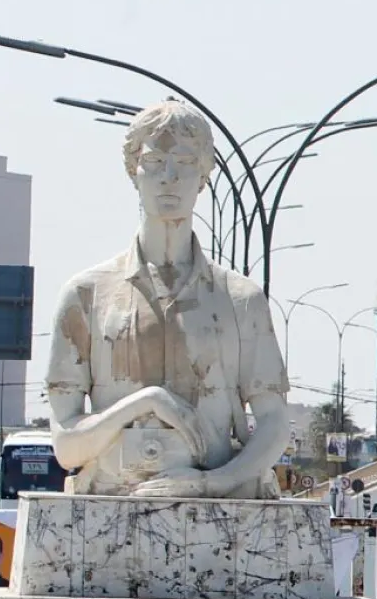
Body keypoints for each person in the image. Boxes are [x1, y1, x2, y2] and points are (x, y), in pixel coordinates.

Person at [45, 101, 290, 499]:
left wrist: (214, 482)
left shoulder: (242, 300)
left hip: (222, 513)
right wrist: (147, 402)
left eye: (184, 161)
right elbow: (67, 446)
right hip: (108, 508)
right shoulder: (86, 295)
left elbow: (274, 424)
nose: (169, 178)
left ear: (204, 175)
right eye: (154, 161)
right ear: (133, 172)